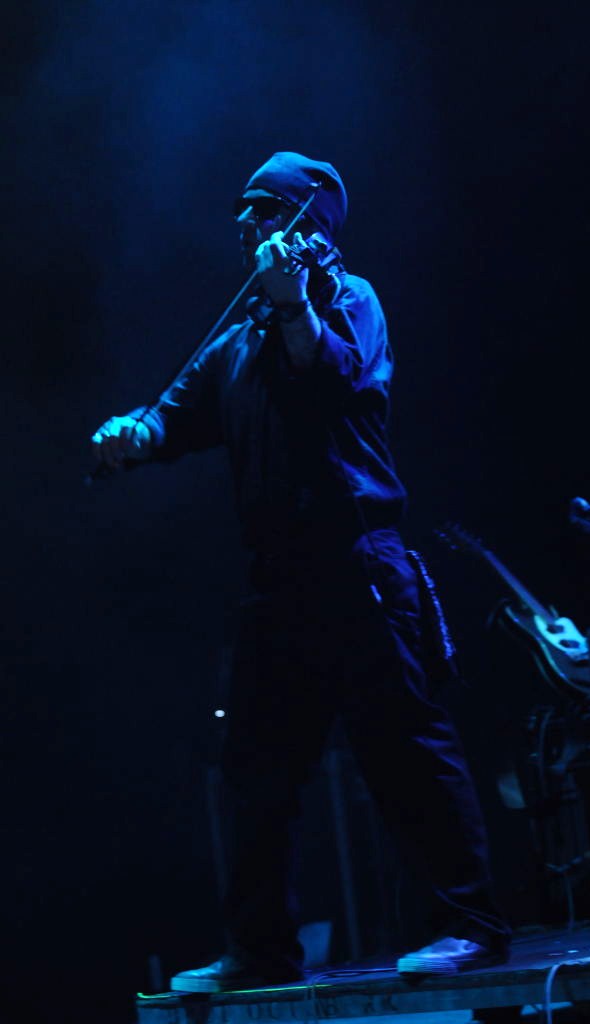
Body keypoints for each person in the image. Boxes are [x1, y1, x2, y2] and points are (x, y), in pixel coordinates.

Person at [91, 151, 510, 991]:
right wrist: (134, 435)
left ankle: (471, 927)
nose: (246, 224)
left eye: (263, 209)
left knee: (404, 752)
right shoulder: (237, 341)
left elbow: (332, 381)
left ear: (305, 221)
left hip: (359, 564)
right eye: (243, 211)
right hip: (278, 582)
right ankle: (260, 951)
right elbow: (175, 417)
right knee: (255, 771)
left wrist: (294, 307)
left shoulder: (350, 301)